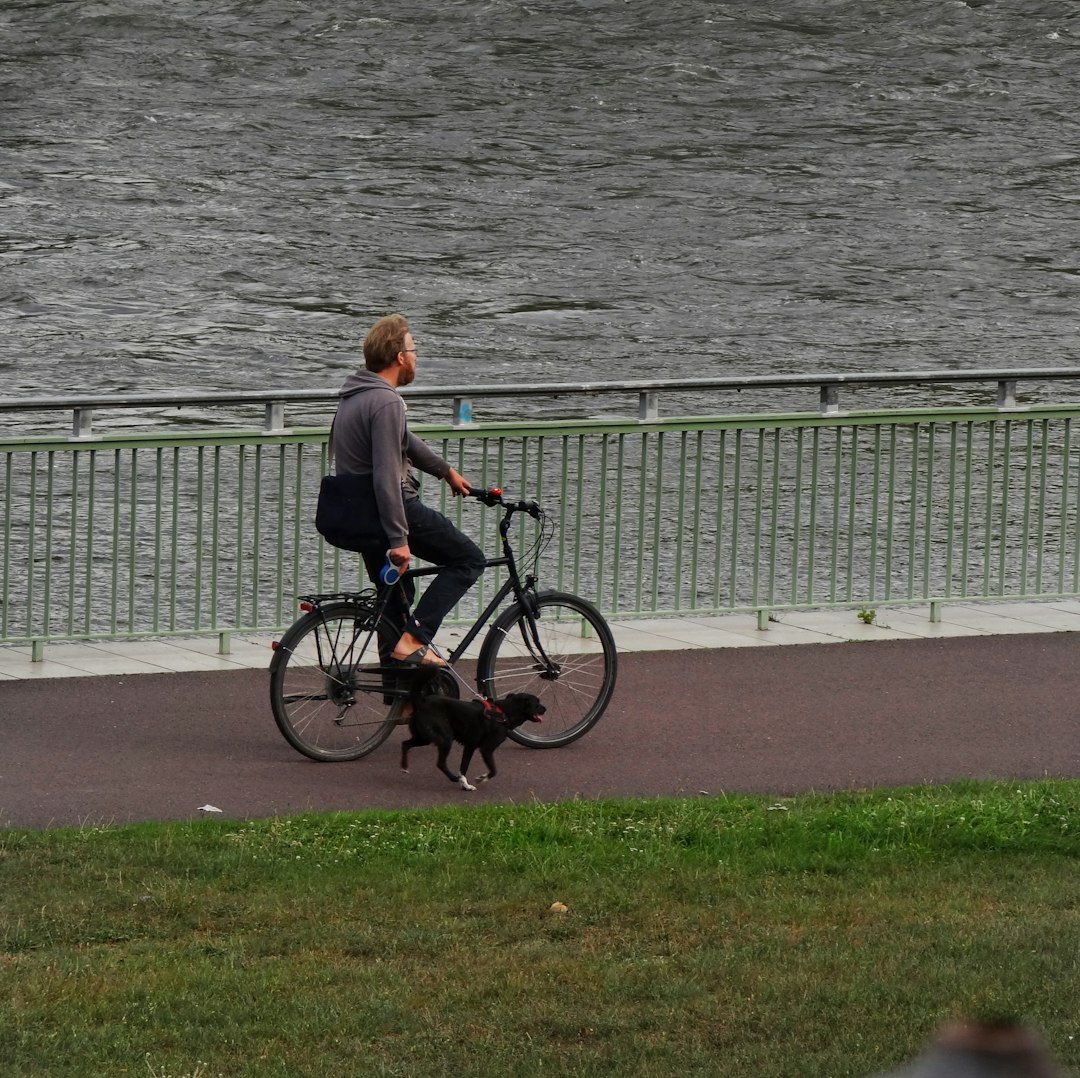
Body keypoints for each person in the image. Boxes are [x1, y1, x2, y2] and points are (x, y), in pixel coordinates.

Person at [330, 313, 486, 670]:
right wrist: (399, 540)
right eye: (414, 349)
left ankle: (401, 705)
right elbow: (386, 473)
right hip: (392, 508)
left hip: (359, 514)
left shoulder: (355, 396)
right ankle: (416, 639)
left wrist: (445, 471)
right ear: (400, 356)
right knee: (468, 559)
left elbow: (404, 440)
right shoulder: (386, 401)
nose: (416, 357)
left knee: (396, 600)